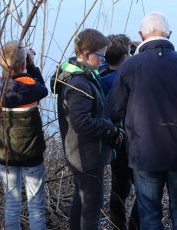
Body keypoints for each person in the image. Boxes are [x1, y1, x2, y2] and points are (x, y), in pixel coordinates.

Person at [105, 12, 177, 229]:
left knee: (149, 215)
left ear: (141, 35)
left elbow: (112, 111)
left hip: (144, 154)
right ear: (170, 34)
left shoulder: (130, 66)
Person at [50, 28, 123, 230]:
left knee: (81, 199)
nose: (103, 61)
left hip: (80, 152)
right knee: (91, 206)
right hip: (87, 154)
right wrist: (110, 128)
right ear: (86, 54)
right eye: (100, 56)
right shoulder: (79, 84)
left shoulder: (81, 76)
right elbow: (81, 122)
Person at [0, 40, 48, 230]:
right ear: (23, 64)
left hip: (6, 154)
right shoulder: (32, 87)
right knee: (36, 206)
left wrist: (21, 64)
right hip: (31, 155)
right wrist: (31, 64)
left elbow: (10, 79)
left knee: (12, 203)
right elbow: (41, 88)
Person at [99, 34, 140, 230]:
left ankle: (117, 225)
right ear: (125, 57)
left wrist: (129, 52)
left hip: (113, 139)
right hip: (131, 138)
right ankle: (134, 225)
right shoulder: (126, 79)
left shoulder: (101, 76)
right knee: (143, 189)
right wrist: (137, 54)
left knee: (118, 188)